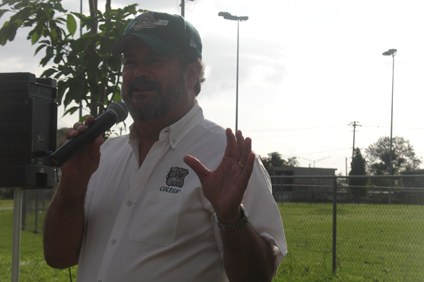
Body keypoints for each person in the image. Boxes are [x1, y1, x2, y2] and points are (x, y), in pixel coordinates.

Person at [43, 11, 287, 282]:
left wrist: (231, 218)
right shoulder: (102, 156)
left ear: (191, 74)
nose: (138, 73)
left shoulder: (226, 158)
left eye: (154, 60)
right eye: (130, 62)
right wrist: (73, 184)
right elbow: (58, 257)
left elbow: (259, 277)